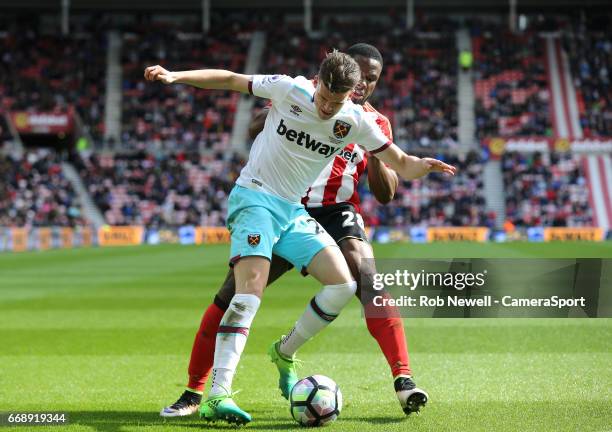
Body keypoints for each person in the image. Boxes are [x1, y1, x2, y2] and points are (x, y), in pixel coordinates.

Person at [145, 50, 455, 425]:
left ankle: (290, 352)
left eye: (338, 100)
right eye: (324, 97)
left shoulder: (361, 121)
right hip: (258, 198)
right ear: (320, 80)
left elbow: (401, 166)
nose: (327, 107)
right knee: (240, 295)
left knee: (347, 284)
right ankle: (207, 394)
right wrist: (175, 75)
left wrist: (424, 165)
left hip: (308, 213)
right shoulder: (290, 89)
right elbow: (230, 79)